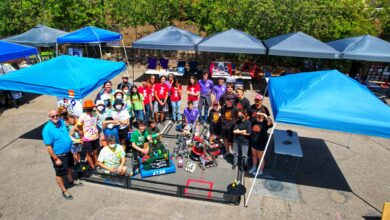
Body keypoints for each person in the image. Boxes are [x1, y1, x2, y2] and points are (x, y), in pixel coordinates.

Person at [42, 110, 82, 200]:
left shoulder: (61, 122)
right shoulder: (47, 129)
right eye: (53, 116)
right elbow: (49, 147)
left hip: (68, 152)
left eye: (57, 115)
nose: (55, 117)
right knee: (59, 174)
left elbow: (67, 133)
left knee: (69, 167)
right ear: (49, 117)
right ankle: (64, 191)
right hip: (59, 155)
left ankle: (71, 181)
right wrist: (56, 159)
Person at [249, 111, 273, 176]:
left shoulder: (265, 123)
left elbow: (270, 121)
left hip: (261, 143)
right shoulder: (254, 121)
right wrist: (255, 115)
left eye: (260, 116)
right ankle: (254, 167)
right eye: (258, 115)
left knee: (261, 157)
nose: (259, 117)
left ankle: (260, 170)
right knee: (254, 155)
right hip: (253, 142)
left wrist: (264, 114)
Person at [78, 100, 100, 170]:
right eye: (88, 107)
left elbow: (97, 122)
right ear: (85, 108)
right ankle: (93, 166)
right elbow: (79, 124)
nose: (90, 108)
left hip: (95, 136)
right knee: (88, 153)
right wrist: (81, 131)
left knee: (95, 151)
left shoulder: (95, 114)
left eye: (91, 107)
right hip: (87, 138)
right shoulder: (82, 115)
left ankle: (96, 163)